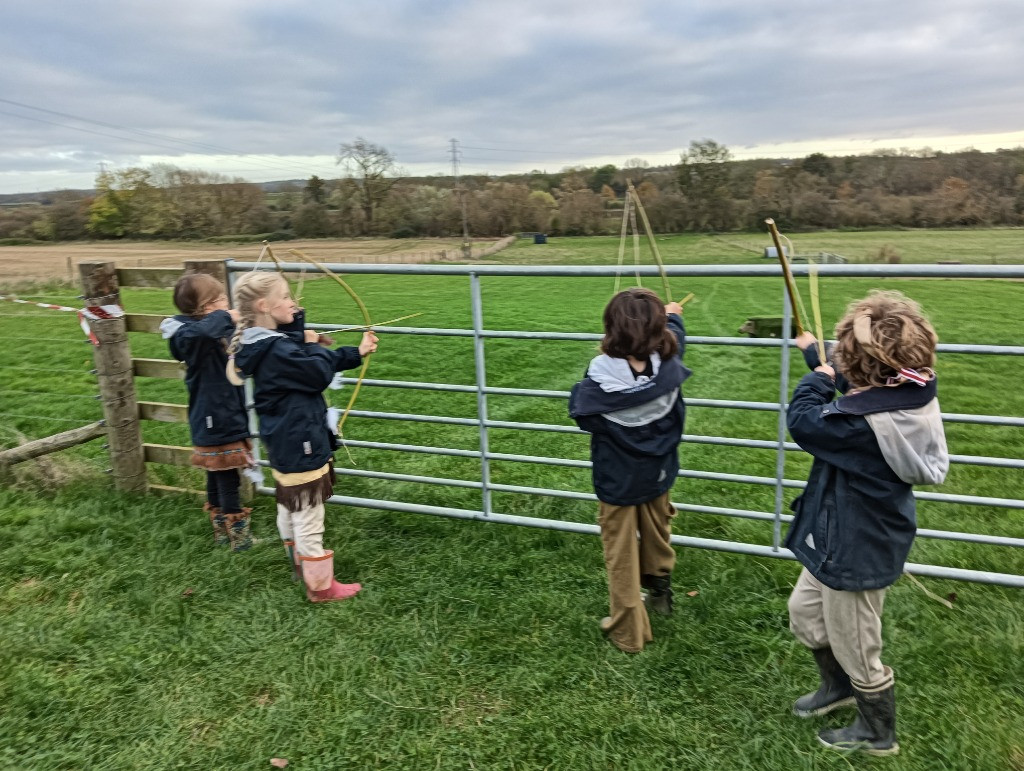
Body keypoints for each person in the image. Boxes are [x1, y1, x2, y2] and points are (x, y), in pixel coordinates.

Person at [785, 290, 948, 756]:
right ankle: (836, 688)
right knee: (805, 613)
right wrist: (817, 356)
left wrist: (817, 378)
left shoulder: (862, 427)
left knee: (857, 645)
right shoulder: (906, 392)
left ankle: (877, 732)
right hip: (839, 538)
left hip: (856, 550)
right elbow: (858, 390)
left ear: (862, 373)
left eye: (844, 360)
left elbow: (805, 421)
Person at [227, 272, 377, 603]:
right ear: (265, 305)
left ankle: (300, 564)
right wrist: (308, 342)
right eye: (287, 297)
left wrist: (356, 352)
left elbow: (306, 360)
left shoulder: (263, 344)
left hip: (285, 439)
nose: (295, 303)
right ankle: (320, 586)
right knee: (308, 509)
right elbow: (316, 372)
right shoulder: (279, 350)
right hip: (300, 439)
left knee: (290, 502)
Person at [568, 287, 690, 653]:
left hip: (617, 479)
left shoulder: (598, 382)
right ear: (659, 331)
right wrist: (673, 315)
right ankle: (660, 589)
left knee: (619, 552)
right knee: (657, 528)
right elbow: (677, 340)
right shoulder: (668, 366)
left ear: (612, 330)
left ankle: (628, 633)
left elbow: (587, 419)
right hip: (658, 471)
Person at [160, 273, 254, 551]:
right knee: (226, 475)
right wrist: (228, 316)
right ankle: (239, 539)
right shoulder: (189, 335)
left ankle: (222, 534)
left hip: (220, 412)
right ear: (206, 307)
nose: (228, 303)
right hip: (215, 415)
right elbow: (202, 333)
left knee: (216, 472)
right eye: (222, 299)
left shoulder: (208, 330)